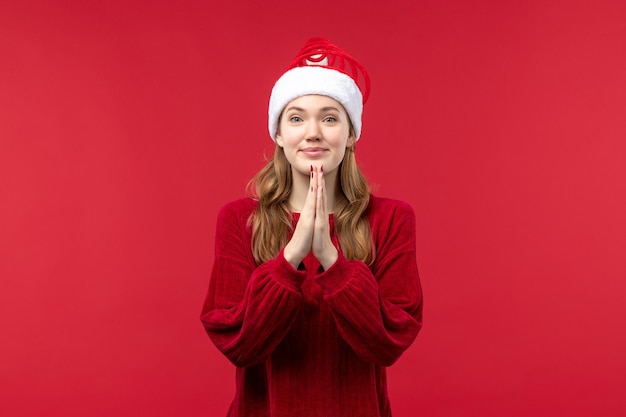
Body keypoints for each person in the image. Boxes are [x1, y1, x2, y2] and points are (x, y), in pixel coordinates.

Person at [201, 37, 423, 417]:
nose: (313, 132)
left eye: (330, 118)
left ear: (351, 134)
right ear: (279, 134)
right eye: (297, 117)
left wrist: (332, 262)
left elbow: (388, 343)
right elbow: (240, 345)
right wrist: (290, 258)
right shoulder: (239, 220)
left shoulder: (392, 219)